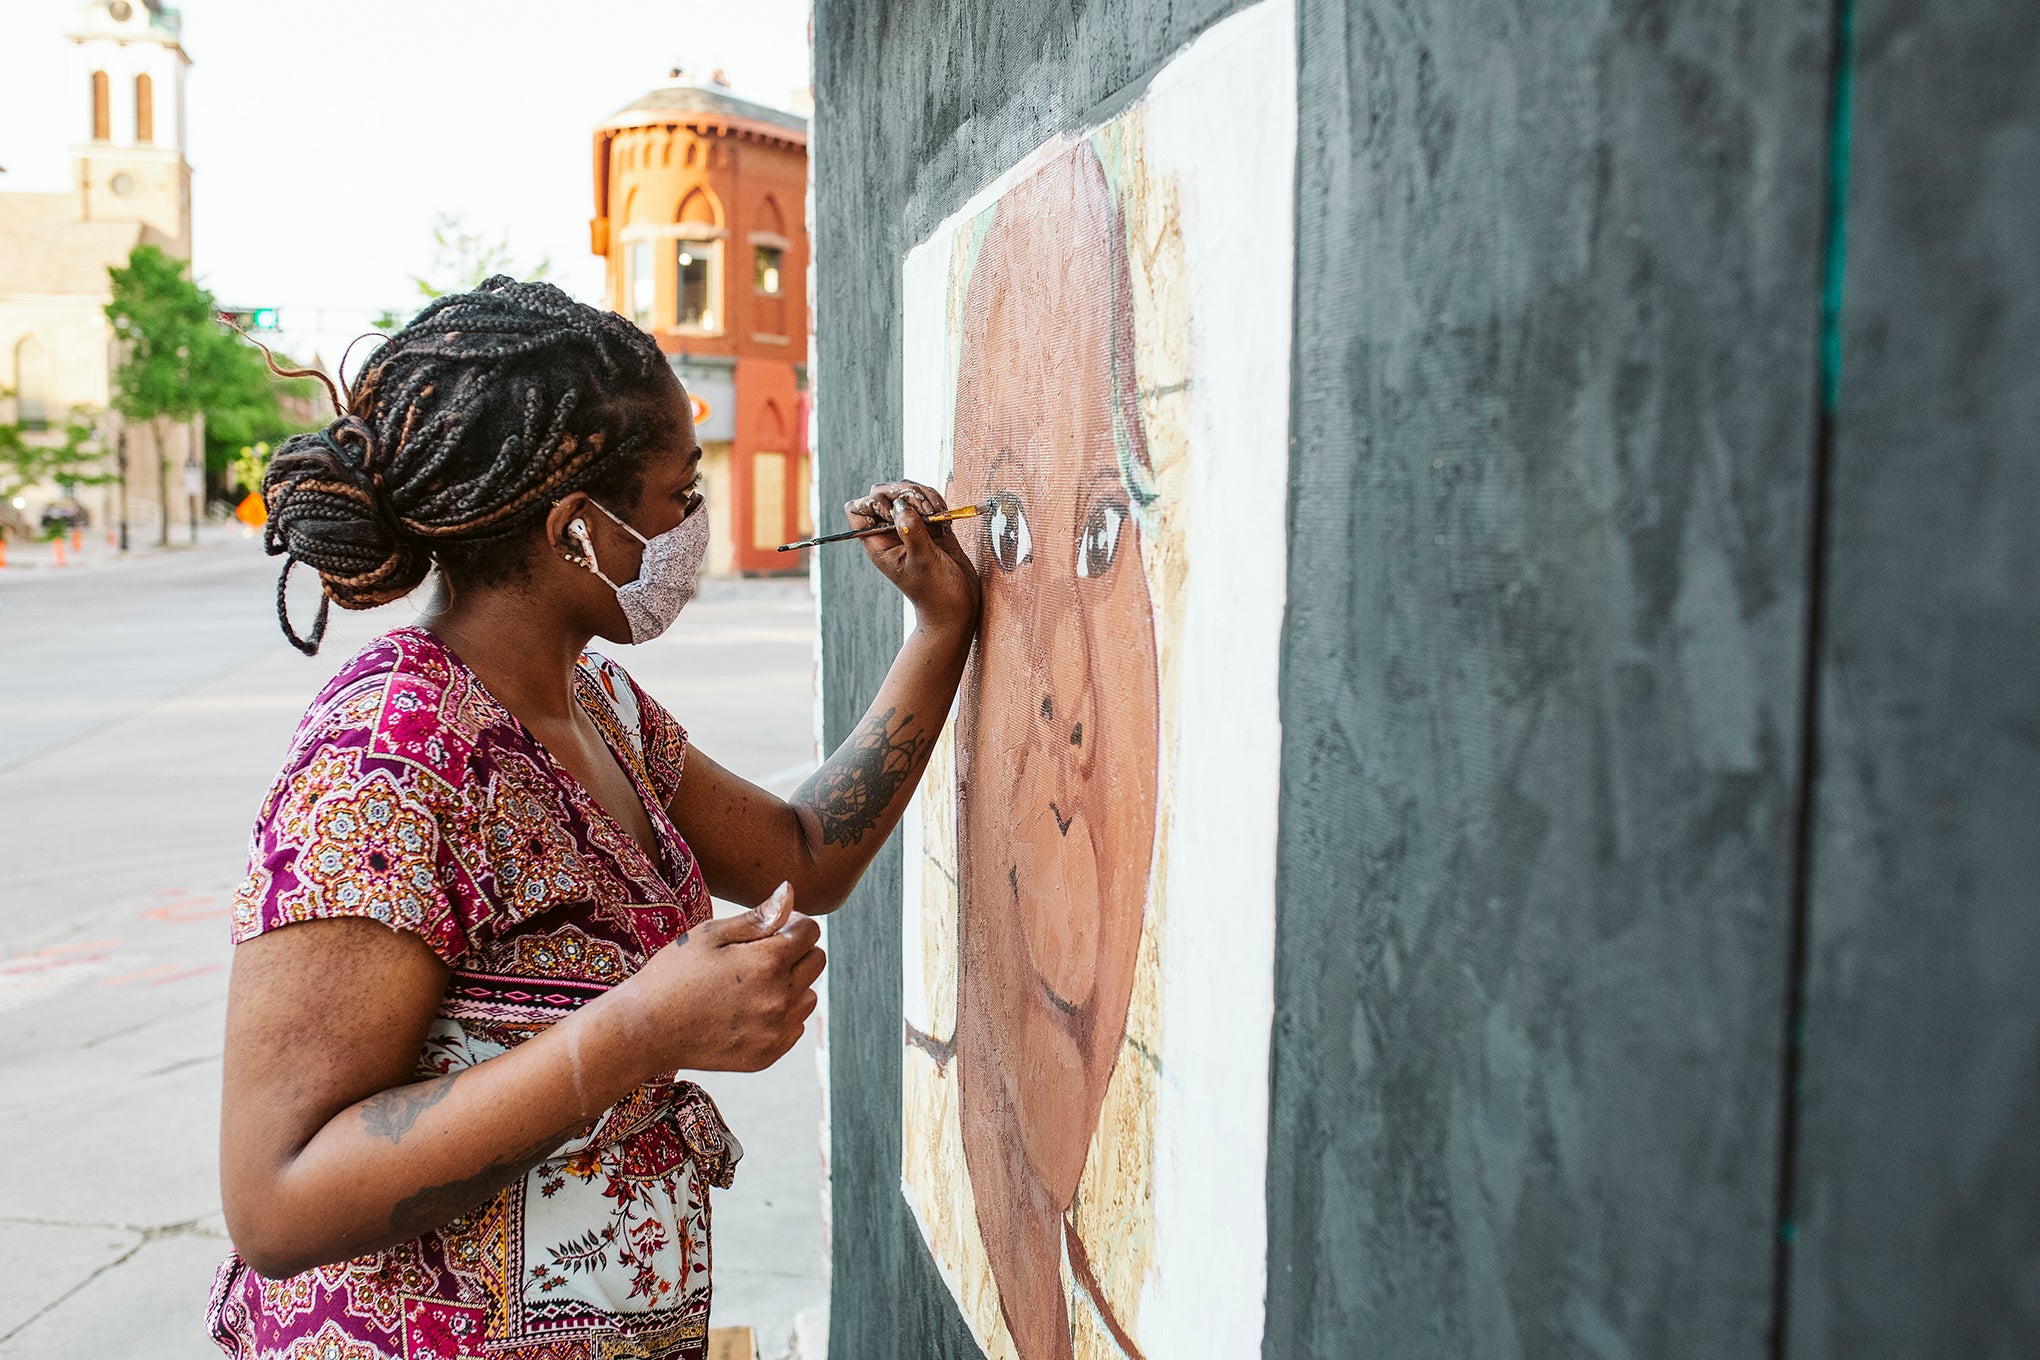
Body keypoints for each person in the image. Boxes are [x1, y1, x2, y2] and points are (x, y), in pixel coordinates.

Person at [208, 277, 979, 1360]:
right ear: (577, 531)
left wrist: (941, 625)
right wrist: (643, 1030)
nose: (690, 527)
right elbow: (277, 1202)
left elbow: (805, 853)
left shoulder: (597, 705)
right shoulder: (387, 757)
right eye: (679, 493)